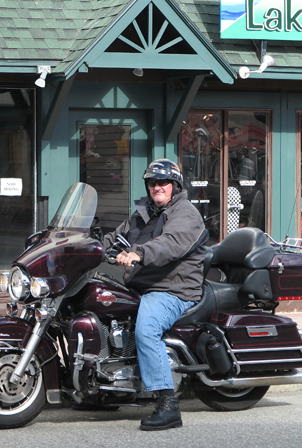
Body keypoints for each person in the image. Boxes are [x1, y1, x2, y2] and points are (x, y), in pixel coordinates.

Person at [103, 158, 208, 431]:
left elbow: (170, 244)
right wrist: (87, 245)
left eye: (163, 182)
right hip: (142, 284)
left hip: (171, 287)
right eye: (152, 182)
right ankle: (103, 388)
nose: (157, 187)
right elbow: (115, 237)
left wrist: (139, 253)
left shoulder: (185, 214)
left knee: (146, 330)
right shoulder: (143, 213)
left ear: (175, 185)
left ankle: (167, 404)